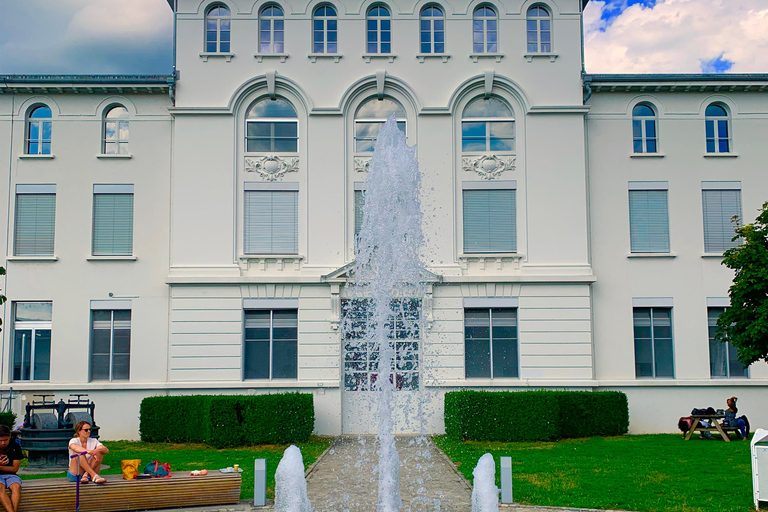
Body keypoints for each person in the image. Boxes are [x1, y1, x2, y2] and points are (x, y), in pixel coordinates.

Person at [0, 426, 22, 512]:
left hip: (11, 475)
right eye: (0, 441)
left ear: (9, 436)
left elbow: (14, 469)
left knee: (16, 486)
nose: (2, 443)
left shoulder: (15, 447)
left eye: (5, 440)